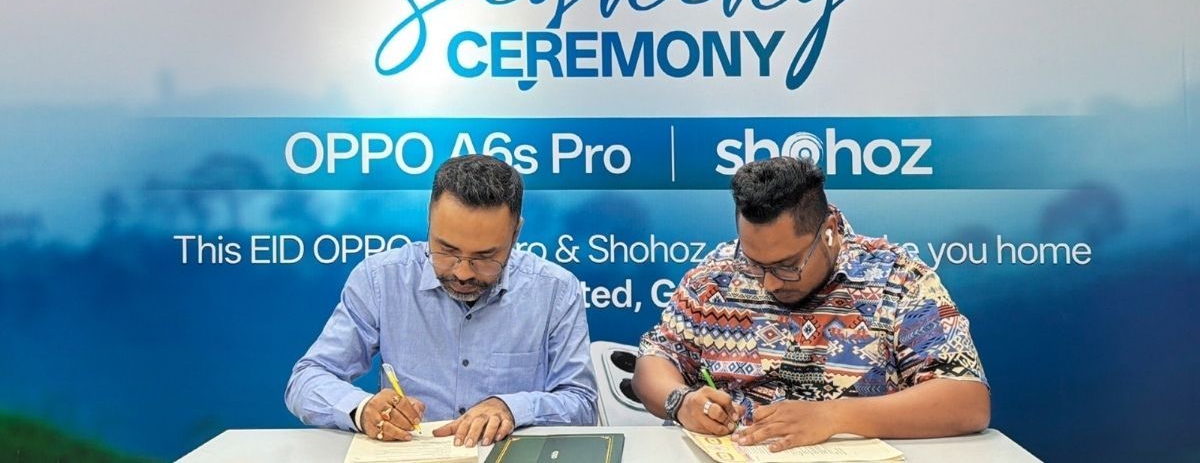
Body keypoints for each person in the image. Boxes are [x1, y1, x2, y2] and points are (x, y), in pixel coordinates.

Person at [633, 156, 989, 452]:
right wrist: (680, 402)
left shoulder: (898, 280)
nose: (769, 283)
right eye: (754, 264)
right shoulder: (714, 278)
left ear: (829, 229)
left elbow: (967, 400)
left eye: (788, 266)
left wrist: (834, 417)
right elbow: (654, 360)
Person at [285, 155, 597, 447]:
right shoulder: (380, 279)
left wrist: (513, 408)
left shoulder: (555, 290)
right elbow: (306, 380)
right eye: (447, 250)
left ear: (515, 234)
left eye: (484, 257)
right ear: (429, 221)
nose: (462, 272)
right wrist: (361, 408)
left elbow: (582, 404)